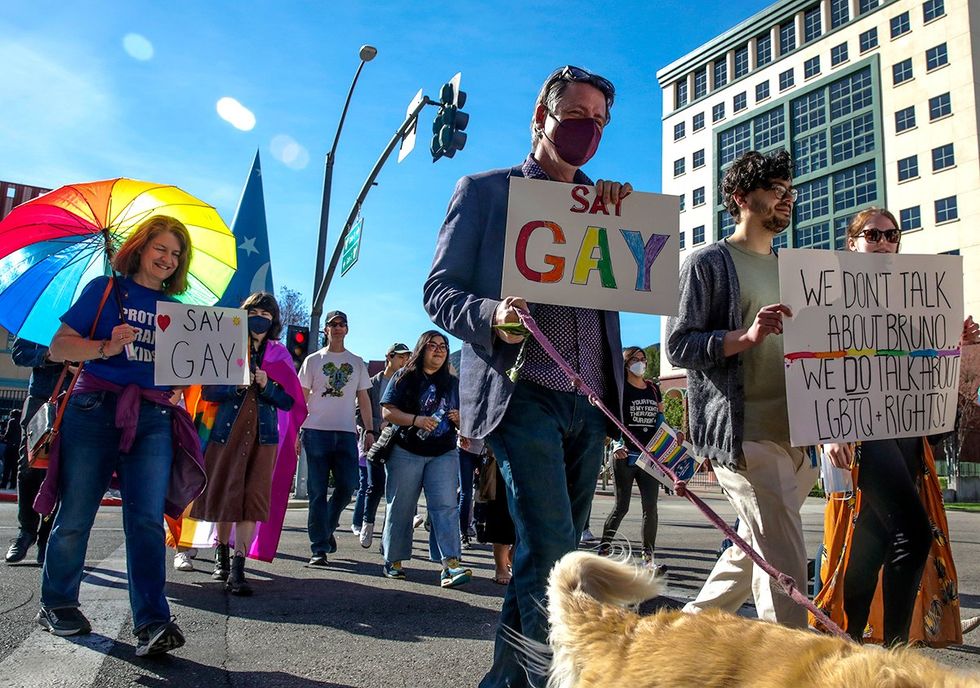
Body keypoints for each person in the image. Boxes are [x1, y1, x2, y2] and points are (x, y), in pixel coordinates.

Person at [424, 65, 630, 688]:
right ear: (540, 119)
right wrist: (494, 315)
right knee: (555, 552)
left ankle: (504, 683)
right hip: (523, 396)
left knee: (548, 557)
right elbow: (439, 291)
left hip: (589, 403)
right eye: (575, 115)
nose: (587, 130)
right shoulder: (485, 192)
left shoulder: (609, 207)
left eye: (599, 122)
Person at [35, 215, 205, 656]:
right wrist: (106, 346)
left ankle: (152, 620)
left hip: (152, 416)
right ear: (140, 248)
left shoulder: (181, 313)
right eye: (160, 249)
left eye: (176, 253)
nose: (168, 259)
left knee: (147, 519)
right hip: (94, 410)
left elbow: (190, 371)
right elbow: (59, 347)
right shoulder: (104, 290)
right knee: (76, 513)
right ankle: (56, 603)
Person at [665, 149, 819, 629]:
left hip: (800, 436)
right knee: (786, 565)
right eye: (775, 190)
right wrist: (745, 337)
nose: (785, 199)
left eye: (788, 191)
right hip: (744, 433)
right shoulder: (706, 262)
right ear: (740, 198)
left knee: (757, 547)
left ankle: (688, 630)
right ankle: (787, 664)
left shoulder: (798, 268)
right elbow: (677, 345)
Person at [814, 207, 980, 646]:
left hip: (907, 430)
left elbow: (919, 367)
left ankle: (848, 643)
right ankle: (895, 650)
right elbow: (815, 365)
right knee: (912, 530)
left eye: (892, 236)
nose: (884, 243)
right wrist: (829, 429)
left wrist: (952, 346)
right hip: (861, 430)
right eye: (873, 235)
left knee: (873, 539)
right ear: (852, 243)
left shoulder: (913, 300)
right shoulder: (829, 295)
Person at [190, 292, 298, 595]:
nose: (260, 317)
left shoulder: (280, 355)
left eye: (267, 313)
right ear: (242, 314)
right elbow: (207, 391)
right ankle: (221, 555)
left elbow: (290, 401)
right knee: (227, 496)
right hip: (227, 434)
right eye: (254, 311)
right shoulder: (225, 347)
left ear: (274, 320)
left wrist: (268, 385)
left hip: (263, 439)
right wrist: (231, 385)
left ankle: (239, 566)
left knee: (252, 501)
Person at [379, 330, 470, 588]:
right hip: (406, 450)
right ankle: (393, 560)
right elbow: (387, 411)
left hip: (443, 451)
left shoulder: (453, 382)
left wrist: (460, 419)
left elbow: (468, 414)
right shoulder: (404, 377)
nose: (439, 350)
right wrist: (416, 420)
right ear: (422, 349)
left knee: (446, 507)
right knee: (401, 506)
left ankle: (450, 564)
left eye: (443, 346)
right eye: (433, 346)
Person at [299, 310, 374, 566]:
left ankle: (327, 528)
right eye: (333, 324)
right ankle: (318, 548)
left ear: (347, 329)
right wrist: (298, 431)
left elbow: (364, 398)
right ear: (326, 330)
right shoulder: (313, 360)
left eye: (342, 324)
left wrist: (370, 430)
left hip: (345, 433)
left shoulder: (357, 362)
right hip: (315, 431)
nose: (338, 328)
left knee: (347, 486)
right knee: (317, 492)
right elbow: (302, 397)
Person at [599, 347, 670, 573]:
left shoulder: (653, 389)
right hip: (625, 457)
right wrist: (617, 444)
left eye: (643, 359)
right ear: (626, 363)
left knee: (651, 508)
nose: (640, 363)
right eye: (635, 360)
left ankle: (648, 559)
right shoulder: (621, 390)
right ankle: (604, 550)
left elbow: (659, 420)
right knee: (622, 506)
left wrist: (671, 433)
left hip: (649, 458)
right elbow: (614, 419)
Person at [5, 339, 71, 565]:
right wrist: (51, 355)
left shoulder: (87, 318)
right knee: (29, 469)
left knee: (62, 475)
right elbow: (19, 353)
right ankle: (26, 532)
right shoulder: (42, 318)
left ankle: (46, 538)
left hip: (74, 399)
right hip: (41, 399)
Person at [352, 342, 411, 548]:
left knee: (395, 489)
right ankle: (367, 525)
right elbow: (359, 414)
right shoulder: (371, 384)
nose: (404, 360)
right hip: (375, 441)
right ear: (390, 357)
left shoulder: (405, 385)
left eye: (407, 357)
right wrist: (380, 424)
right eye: (401, 356)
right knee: (374, 486)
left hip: (399, 443)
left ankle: (387, 537)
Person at [470, 437, 515, 585]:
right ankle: (501, 567)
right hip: (500, 452)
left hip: (535, 453)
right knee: (501, 513)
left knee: (531, 514)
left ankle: (514, 554)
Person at [1, 409, 20, 489]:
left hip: (10, 447)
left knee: (7, 467)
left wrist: (2, 437)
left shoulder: (12, 421)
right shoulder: (22, 422)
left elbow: (8, 434)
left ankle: (4, 483)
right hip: (18, 447)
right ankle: (13, 484)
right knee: (15, 467)